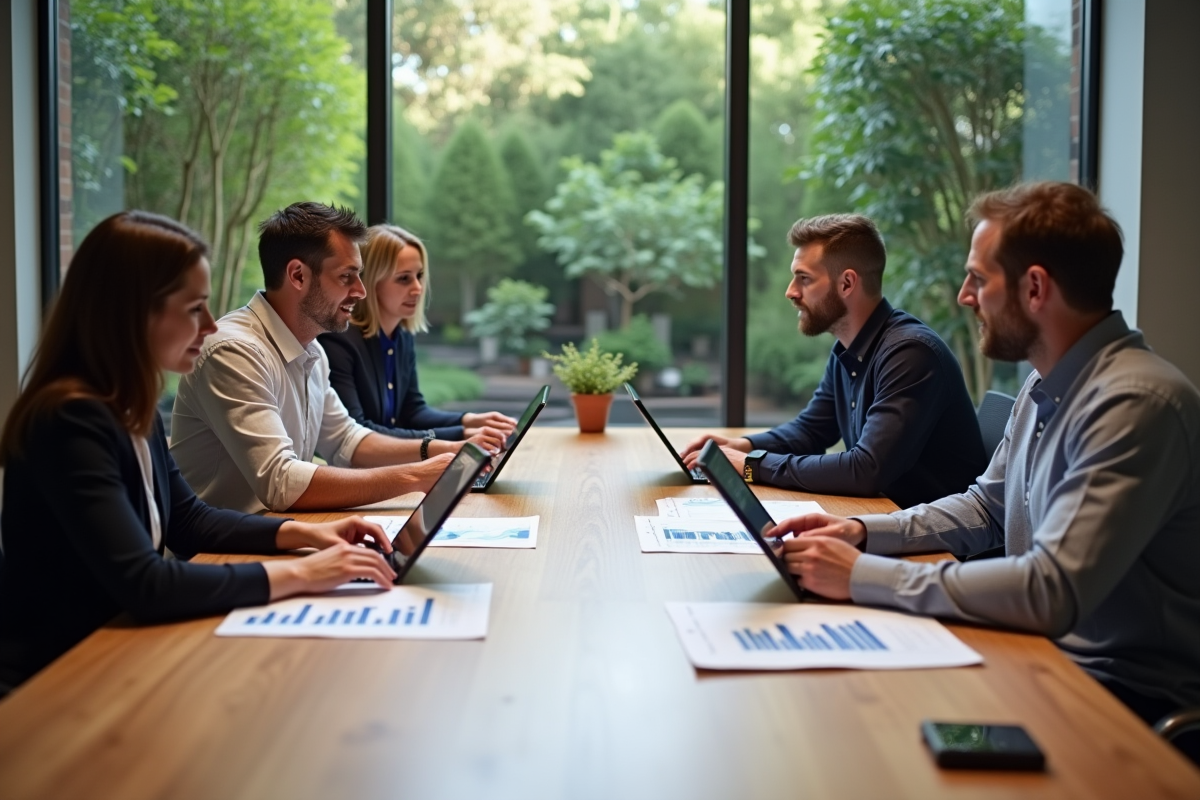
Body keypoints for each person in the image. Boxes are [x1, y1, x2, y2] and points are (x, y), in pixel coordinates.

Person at [767, 183, 1200, 757]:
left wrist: (862, 575)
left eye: (978, 278)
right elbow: (984, 508)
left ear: (1035, 288)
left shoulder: (1136, 403)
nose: (964, 296)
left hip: (1121, 700)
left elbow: (1049, 590)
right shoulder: (1046, 383)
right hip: (1042, 656)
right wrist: (862, 533)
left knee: (871, 735)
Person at [0, 211, 399, 695]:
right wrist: (303, 571)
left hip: (117, 650)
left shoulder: (128, 405)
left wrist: (305, 535)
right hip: (58, 679)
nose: (210, 326)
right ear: (134, 312)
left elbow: (189, 519)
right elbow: (144, 584)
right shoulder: (70, 421)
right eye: (194, 309)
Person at [170, 202, 507, 514]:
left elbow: (346, 440)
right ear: (298, 275)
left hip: (275, 533)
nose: (361, 290)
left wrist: (443, 451)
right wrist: (416, 476)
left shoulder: (313, 350)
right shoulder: (233, 351)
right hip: (216, 551)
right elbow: (281, 481)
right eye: (347, 276)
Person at [681, 214, 987, 508]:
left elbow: (866, 470)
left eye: (804, 278)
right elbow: (811, 431)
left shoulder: (910, 353)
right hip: (885, 519)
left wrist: (752, 465)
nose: (791, 292)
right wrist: (743, 446)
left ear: (847, 284)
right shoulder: (849, 348)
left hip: (931, 536)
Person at [318, 224, 516, 443]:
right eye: (404, 278)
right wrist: (461, 435)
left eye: (419, 275)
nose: (418, 288)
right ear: (371, 281)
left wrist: (471, 421)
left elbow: (412, 412)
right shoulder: (338, 341)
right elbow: (358, 433)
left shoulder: (401, 337)